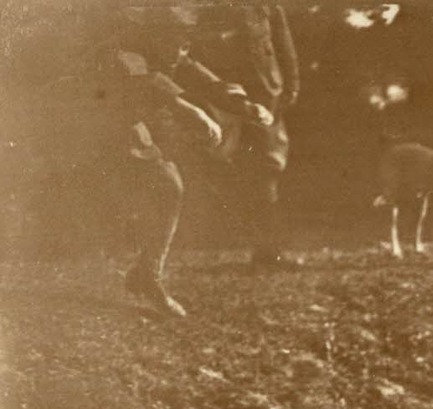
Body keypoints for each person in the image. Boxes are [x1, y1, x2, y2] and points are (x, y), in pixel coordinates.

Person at [15, 4, 276, 316]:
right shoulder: (123, 50)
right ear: (153, 30)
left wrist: (244, 105)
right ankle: (139, 273)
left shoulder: (170, 45)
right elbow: (147, 84)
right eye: (175, 33)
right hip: (74, 127)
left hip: (119, 129)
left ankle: (146, 275)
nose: (182, 44)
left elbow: (201, 77)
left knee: (168, 186)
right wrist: (192, 112)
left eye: (185, 34)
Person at [189, 1, 301, 268]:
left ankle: (268, 249)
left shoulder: (267, 5)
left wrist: (291, 85)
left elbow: (283, 45)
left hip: (266, 98)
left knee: (267, 169)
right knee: (229, 167)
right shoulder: (206, 7)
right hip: (222, 100)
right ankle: (256, 245)